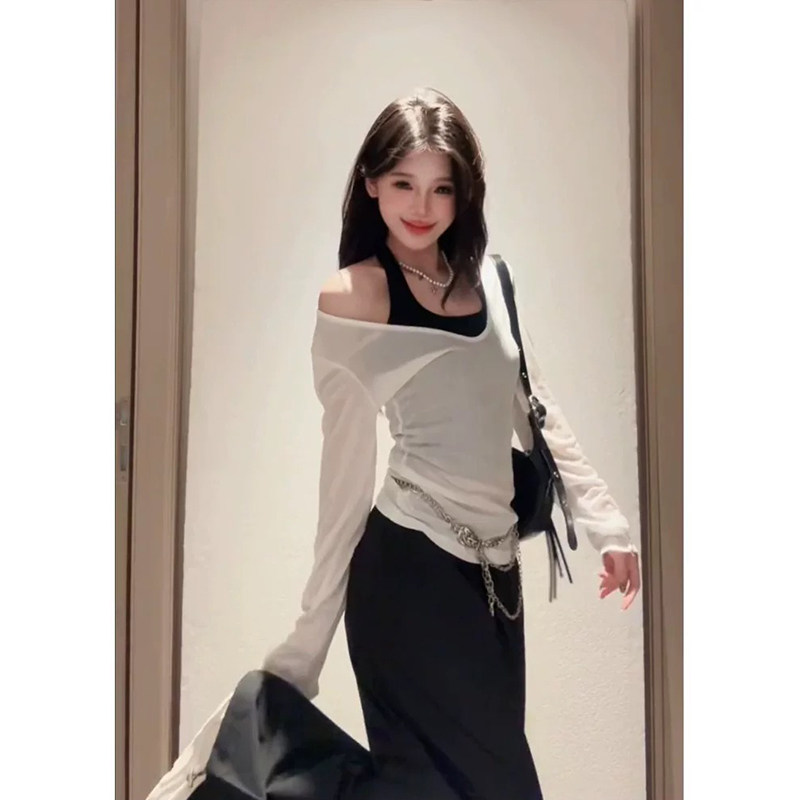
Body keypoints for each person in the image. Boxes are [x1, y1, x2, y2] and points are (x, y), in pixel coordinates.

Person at [150, 86, 640, 800]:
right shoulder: (356, 299)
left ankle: (249, 761)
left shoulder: (493, 281)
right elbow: (344, 481)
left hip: (494, 585)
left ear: (464, 194)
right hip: (408, 575)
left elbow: (536, 410)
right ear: (372, 182)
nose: (422, 206)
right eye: (404, 183)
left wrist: (607, 525)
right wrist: (305, 648)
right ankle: (252, 741)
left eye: (442, 188)